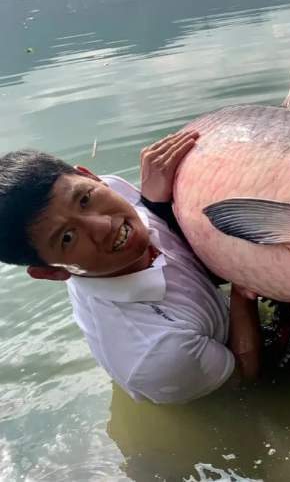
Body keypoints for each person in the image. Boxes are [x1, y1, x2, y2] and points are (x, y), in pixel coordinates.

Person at [0, 132, 261, 404]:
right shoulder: (158, 355)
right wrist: (243, 282)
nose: (103, 226)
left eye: (84, 200)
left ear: (91, 177)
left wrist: (155, 206)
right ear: (51, 272)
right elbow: (241, 378)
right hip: (206, 383)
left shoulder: (118, 190)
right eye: (67, 238)